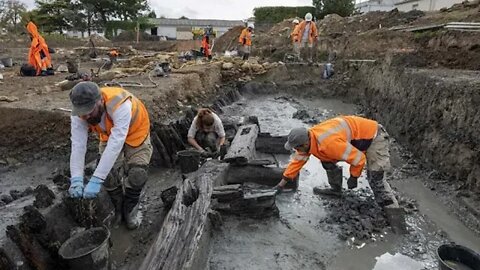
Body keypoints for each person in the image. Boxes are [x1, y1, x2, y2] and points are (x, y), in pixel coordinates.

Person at [68, 82, 152, 230]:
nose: (85, 116)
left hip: (136, 131)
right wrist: (76, 179)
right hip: (109, 133)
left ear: (100, 100)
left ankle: (130, 209)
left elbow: (116, 143)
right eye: (82, 112)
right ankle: (118, 208)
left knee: (137, 174)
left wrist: (96, 179)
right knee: (109, 176)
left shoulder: (120, 105)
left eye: (89, 110)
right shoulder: (79, 114)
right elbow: (78, 146)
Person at [274, 116, 393, 206]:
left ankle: (390, 210)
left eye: (296, 147)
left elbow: (359, 158)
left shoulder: (328, 143)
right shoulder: (309, 139)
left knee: (375, 176)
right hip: (356, 139)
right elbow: (296, 163)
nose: (295, 150)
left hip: (374, 136)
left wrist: (354, 177)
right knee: (326, 160)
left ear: (305, 143)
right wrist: (281, 185)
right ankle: (335, 190)